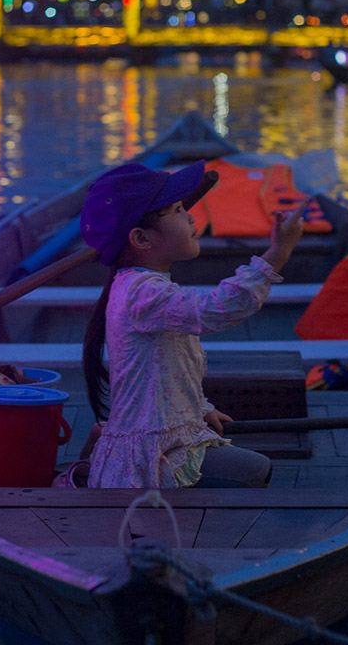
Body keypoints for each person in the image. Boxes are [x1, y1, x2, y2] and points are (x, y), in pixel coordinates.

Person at [78, 161, 306, 489]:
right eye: (177, 210)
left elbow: (172, 372)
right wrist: (278, 253)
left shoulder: (143, 285)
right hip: (153, 449)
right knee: (257, 470)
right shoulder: (143, 292)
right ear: (141, 238)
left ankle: (100, 448)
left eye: (185, 207)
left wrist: (200, 409)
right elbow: (217, 309)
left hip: (171, 428)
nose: (191, 216)